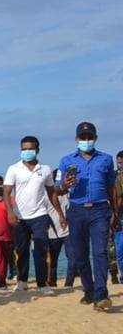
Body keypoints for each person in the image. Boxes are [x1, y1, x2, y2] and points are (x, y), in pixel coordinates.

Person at [57, 122, 119, 311]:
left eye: (89, 137)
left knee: (100, 252)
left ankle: (101, 294)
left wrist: (114, 212)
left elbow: (111, 188)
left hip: (100, 210)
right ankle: (89, 289)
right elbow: (58, 190)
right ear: (77, 139)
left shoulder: (106, 159)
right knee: (80, 254)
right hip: (76, 210)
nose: (86, 141)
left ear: (95, 138)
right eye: (83, 138)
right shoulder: (67, 161)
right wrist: (65, 185)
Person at [4, 136, 65, 295]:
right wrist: (10, 212)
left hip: (40, 215)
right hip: (20, 216)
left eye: (30, 149)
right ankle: (22, 280)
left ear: (37, 150)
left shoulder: (44, 169)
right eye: (24, 149)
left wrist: (60, 214)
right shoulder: (14, 169)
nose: (27, 152)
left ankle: (43, 283)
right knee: (21, 250)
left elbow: (52, 193)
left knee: (41, 249)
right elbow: (6, 192)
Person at [114, 150, 123, 283]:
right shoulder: (115, 176)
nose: (120, 165)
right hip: (119, 216)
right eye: (119, 162)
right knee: (120, 249)